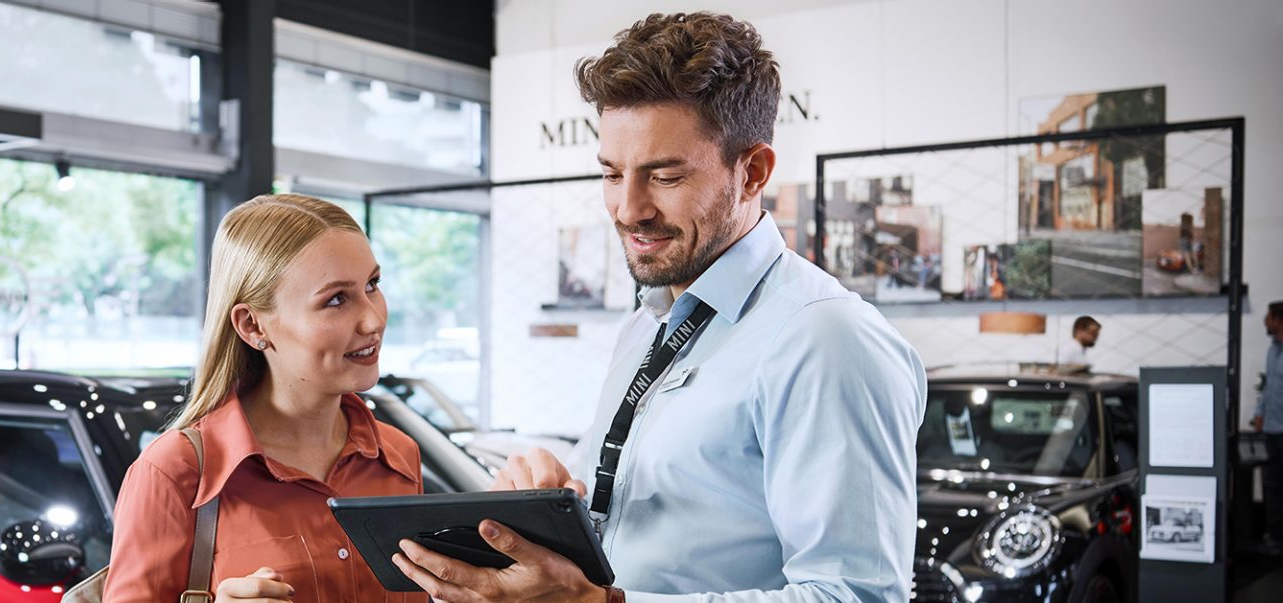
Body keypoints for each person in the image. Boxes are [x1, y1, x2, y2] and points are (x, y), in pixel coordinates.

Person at [391, 12, 925, 602]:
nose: (626, 209)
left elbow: (859, 595)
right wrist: (553, 503)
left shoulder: (824, 338)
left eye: (664, 177)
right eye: (612, 174)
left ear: (753, 173)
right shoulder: (650, 322)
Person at [103, 194, 424, 603]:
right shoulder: (173, 474)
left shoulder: (398, 457)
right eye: (336, 299)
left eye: (372, 285)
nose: (374, 318)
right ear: (252, 325)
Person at [1252, 301, 1283, 553]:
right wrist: (1259, 413)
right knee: (1271, 485)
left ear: (1279, 320)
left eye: (1268, 317)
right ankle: (1274, 536)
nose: (1265, 322)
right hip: (1272, 430)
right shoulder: (1272, 351)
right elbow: (1268, 388)